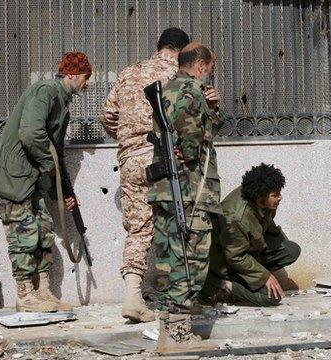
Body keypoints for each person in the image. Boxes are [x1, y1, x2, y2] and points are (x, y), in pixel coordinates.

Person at [0, 52, 92, 312]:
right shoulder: (45, 91)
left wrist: (62, 191)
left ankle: (42, 291)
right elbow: (31, 133)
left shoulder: (62, 101)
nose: (88, 84)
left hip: (31, 175)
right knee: (24, 233)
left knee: (44, 229)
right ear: (71, 74)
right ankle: (24, 295)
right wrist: (49, 167)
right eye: (86, 77)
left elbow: (55, 149)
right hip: (12, 174)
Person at [100, 28, 190, 323]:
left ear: (159, 46)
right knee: (176, 223)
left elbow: (107, 116)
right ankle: (178, 294)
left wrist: (127, 139)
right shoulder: (181, 73)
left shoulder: (128, 73)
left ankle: (133, 296)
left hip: (130, 160)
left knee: (138, 229)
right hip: (164, 156)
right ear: (182, 49)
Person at [148, 42, 224, 352]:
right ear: (202, 65)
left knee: (169, 259)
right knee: (190, 259)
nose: (210, 76)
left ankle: (169, 332)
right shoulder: (192, 93)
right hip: (189, 190)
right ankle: (179, 337)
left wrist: (213, 111)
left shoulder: (166, 89)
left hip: (166, 190)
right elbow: (193, 145)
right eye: (211, 70)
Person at [199, 163, 301, 307]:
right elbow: (235, 257)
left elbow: (269, 227)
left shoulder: (262, 198)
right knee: (272, 298)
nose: (280, 198)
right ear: (260, 198)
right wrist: (264, 276)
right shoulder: (236, 217)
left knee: (291, 250)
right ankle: (220, 284)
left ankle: (248, 281)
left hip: (250, 253)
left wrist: (263, 272)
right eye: (275, 195)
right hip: (227, 263)